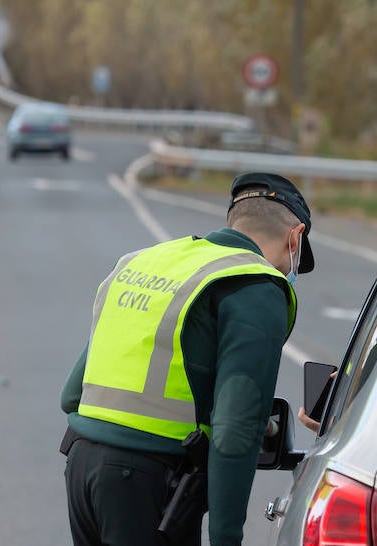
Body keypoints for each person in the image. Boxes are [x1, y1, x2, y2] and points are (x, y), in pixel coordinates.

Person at [60, 172, 314, 546]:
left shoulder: (144, 262)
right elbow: (235, 429)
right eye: (293, 263)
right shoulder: (256, 286)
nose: (288, 272)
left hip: (81, 468)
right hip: (149, 485)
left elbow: (71, 395)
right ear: (296, 237)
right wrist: (226, 537)